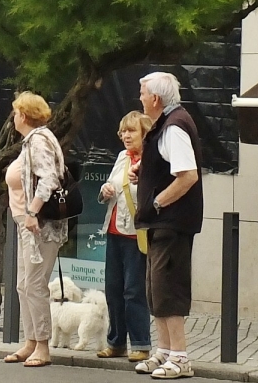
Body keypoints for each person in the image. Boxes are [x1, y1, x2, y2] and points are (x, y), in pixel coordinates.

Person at [132, 72, 203, 379]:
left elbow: (188, 175)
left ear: (156, 99)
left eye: (142, 93)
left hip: (171, 223)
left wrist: (157, 202)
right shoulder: (165, 126)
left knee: (169, 289)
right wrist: (143, 172)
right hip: (160, 224)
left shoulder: (174, 127)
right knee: (155, 289)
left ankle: (181, 357)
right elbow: (166, 166)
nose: (140, 98)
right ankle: (164, 352)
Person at [2, 92, 68, 368]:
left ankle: (42, 345)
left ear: (24, 115)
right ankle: (31, 340)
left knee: (35, 284)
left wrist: (33, 211)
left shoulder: (38, 140)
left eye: (16, 112)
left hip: (40, 225)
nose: (13, 117)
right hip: (26, 224)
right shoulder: (31, 141)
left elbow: (50, 178)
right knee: (22, 285)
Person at [96, 111, 153, 363]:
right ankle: (116, 341)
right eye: (123, 131)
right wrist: (105, 190)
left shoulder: (152, 160)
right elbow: (111, 186)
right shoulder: (122, 157)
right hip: (114, 231)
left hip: (135, 234)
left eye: (131, 131)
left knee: (134, 291)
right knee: (113, 289)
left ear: (145, 134)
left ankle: (141, 343)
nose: (126, 136)